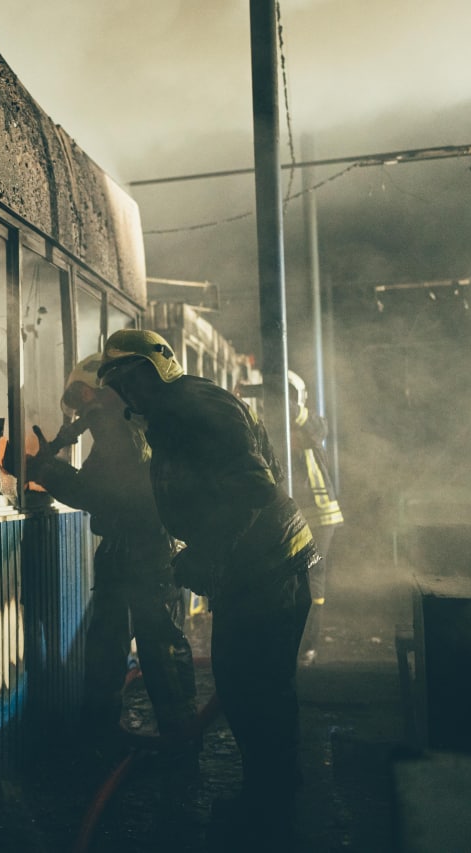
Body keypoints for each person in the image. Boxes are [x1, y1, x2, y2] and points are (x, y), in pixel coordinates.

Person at [96, 329, 318, 845]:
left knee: (251, 692)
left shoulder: (190, 410)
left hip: (267, 572)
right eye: (115, 383)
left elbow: (254, 486)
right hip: (259, 570)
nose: (121, 393)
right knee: (256, 692)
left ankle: (268, 816)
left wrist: (207, 551)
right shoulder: (178, 407)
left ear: (150, 372)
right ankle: (274, 799)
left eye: (125, 379)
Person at [26, 354, 198, 760]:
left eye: (80, 395)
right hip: (134, 548)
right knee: (116, 644)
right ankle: (131, 740)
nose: (81, 407)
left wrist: (43, 470)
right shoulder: (131, 419)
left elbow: (98, 491)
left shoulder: (114, 421)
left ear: (95, 389)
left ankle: (172, 747)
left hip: (143, 550)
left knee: (154, 650)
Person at [286, 370, 344, 666]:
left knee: (311, 578)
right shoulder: (274, 428)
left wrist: (263, 392)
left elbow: (308, 423)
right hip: (295, 517)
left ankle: (308, 645)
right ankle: (295, 644)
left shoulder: (311, 423)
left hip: (320, 518)